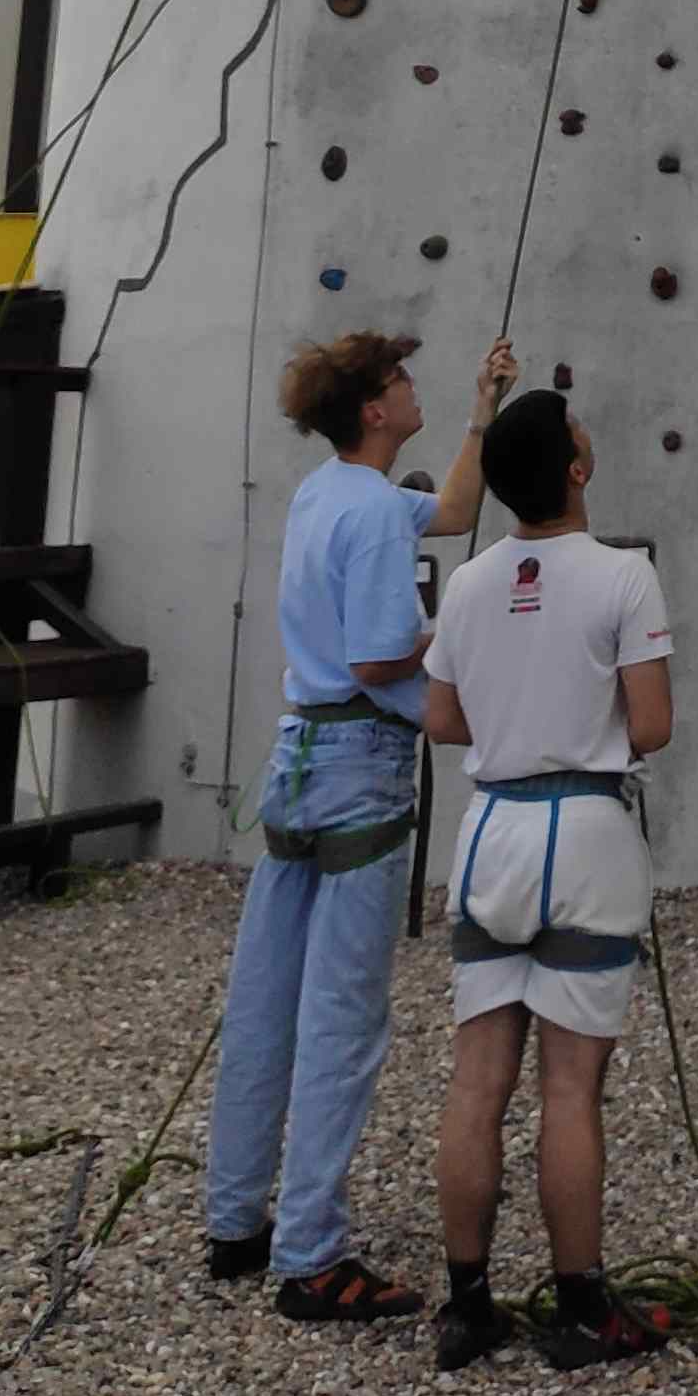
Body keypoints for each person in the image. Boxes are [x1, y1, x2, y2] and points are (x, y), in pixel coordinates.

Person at [202, 326, 517, 1323]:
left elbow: (455, 510)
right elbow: (381, 659)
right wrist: (452, 638)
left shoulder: (324, 492)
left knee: (263, 1001)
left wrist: (482, 412)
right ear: (377, 409)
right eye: (404, 381)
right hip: (359, 768)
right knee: (343, 1019)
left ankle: (235, 1220)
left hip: (296, 758)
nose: (415, 390)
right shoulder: (376, 512)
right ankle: (311, 1258)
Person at [422, 384, 676, 1374]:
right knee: (570, 1090)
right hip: (584, 834)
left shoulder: (468, 582)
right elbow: (651, 726)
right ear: (576, 469)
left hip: (491, 831)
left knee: (477, 1080)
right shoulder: (624, 577)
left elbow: (443, 721)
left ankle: (467, 1306)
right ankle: (580, 1309)